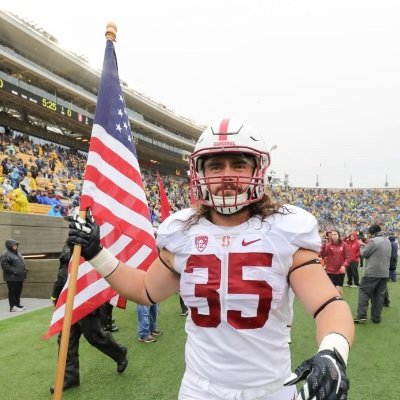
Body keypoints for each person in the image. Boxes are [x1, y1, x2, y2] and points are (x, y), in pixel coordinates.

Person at [68, 119, 354, 400]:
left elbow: (327, 304)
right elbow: (145, 290)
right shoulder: (182, 232)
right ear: (200, 172)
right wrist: (97, 253)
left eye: (238, 164)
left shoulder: (284, 229)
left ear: (258, 169)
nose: (226, 176)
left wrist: (332, 352)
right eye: (216, 166)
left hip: (270, 389)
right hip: (200, 389)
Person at [49, 242, 128, 393]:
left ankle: (119, 353)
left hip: (86, 299)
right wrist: (56, 294)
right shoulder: (67, 245)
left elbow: (99, 272)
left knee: (95, 337)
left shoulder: (91, 243)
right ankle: (69, 377)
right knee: (66, 340)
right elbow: (62, 272)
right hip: (68, 301)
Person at [354, 224, 391, 324]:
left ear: (372, 232)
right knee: (379, 296)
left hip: (372, 272)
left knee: (364, 293)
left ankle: (361, 315)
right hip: (384, 273)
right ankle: (376, 318)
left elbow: (363, 253)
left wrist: (362, 245)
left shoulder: (374, 241)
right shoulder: (387, 241)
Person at [320, 229, 350, 296]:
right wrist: (322, 247)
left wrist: (344, 266)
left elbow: (347, 258)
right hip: (330, 271)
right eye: (332, 235)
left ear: (339, 235)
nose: (334, 236)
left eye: (335, 234)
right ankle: (333, 304)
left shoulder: (344, 244)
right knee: (331, 290)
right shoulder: (328, 245)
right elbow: (323, 255)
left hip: (340, 271)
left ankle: (340, 302)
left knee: (338, 289)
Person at [1, 239, 28, 312]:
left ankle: (17, 305)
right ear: (10, 245)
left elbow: (20, 262)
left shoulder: (17, 253)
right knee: (12, 292)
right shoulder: (5, 254)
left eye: (16, 245)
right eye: (14, 245)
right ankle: (13, 307)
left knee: (18, 291)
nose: (15, 246)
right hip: (12, 277)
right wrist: (15, 271)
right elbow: (4, 265)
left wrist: (25, 269)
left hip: (19, 277)